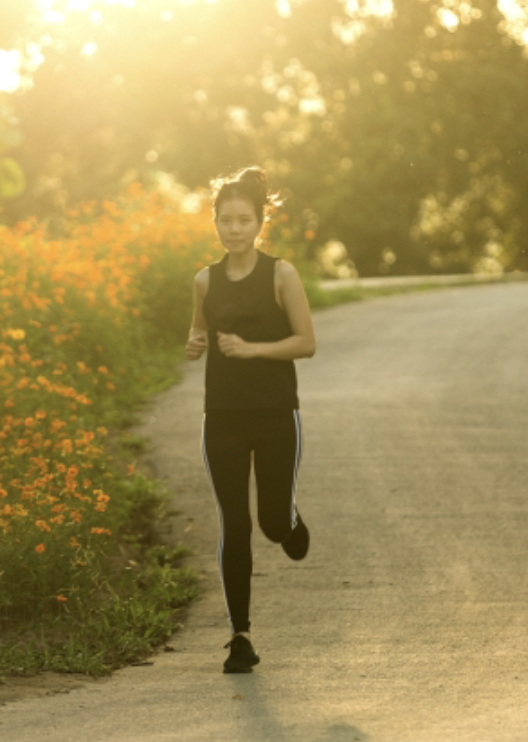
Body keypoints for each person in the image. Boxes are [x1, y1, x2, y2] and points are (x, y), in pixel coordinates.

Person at [185, 166, 317, 674]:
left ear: (259, 223)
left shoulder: (281, 274)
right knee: (233, 523)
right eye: (226, 220)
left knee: (267, 523)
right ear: (215, 224)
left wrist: (252, 349)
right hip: (221, 416)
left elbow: (306, 343)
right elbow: (198, 334)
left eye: (244, 220)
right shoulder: (204, 281)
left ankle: (287, 519)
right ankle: (239, 636)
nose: (234, 229)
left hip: (276, 414)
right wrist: (195, 346)